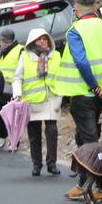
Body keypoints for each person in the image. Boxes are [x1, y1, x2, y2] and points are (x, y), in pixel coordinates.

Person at [55, 0, 102, 201]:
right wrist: (100, 88)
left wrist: (93, 86)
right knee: (83, 138)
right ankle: (83, 183)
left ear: (78, 9)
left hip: (84, 92)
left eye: (74, 9)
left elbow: (82, 61)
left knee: (90, 141)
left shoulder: (76, 30)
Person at [13, 28, 63, 176]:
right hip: (32, 100)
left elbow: (62, 74)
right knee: (34, 134)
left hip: (52, 98)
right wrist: (18, 95)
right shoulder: (25, 56)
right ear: (32, 41)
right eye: (39, 39)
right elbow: (17, 78)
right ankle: (37, 164)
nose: (42, 41)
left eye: (45, 38)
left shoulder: (57, 56)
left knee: (52, 131)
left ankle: (52, 163)